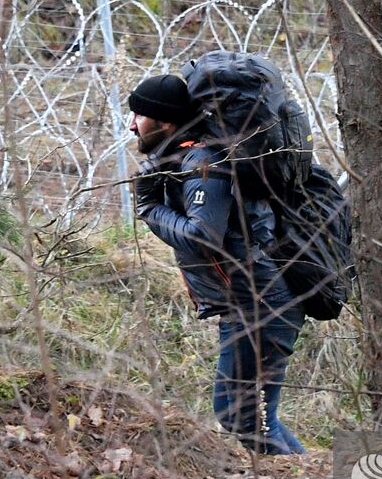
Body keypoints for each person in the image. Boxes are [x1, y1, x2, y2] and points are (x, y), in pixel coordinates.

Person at [127, 74, 306, 455]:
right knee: (252, 417)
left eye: (139, 116)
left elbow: (201, 237)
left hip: (260, 304)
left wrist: (149, 208)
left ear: (167, 122)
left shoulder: (204, 164)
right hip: (247, 302)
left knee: (242, 416)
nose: (131, 124)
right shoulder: (182, 158)